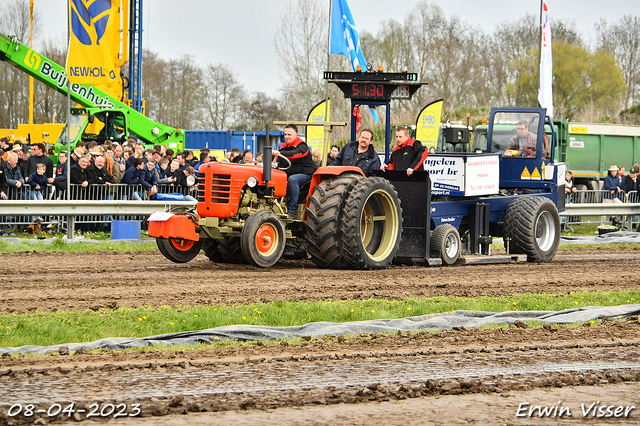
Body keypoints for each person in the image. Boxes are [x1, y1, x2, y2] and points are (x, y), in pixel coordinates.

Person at [273, 124, 316, 218]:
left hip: (305, 175)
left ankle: (291, 210)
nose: (287, 137)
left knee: (293, 179)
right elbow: (279, 161)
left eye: (289, 134)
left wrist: (280, 153)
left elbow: (294, 154)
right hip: (288, 173)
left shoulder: (302, 146)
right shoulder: (283, 147)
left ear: (296, 134)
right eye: (285, 134)